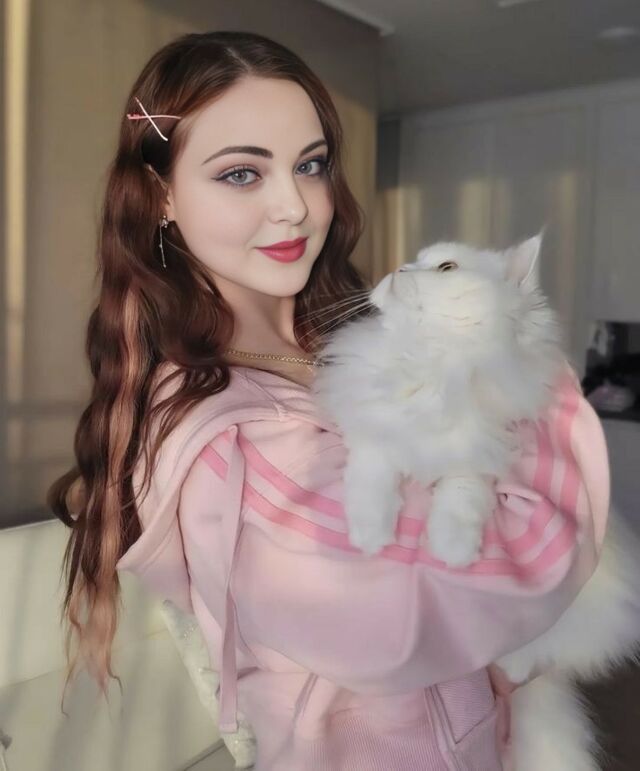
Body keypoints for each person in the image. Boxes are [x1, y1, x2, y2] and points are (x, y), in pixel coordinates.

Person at [47, 31, 610, 770]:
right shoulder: (223, 434)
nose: (294, 207)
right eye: (241, 173)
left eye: (309, 165)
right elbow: (419, 610)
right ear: (162, 195)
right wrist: (529, 365)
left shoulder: (345, 340)